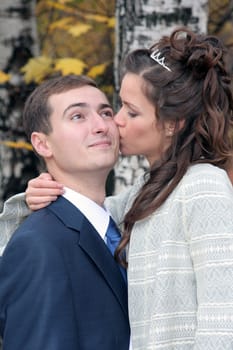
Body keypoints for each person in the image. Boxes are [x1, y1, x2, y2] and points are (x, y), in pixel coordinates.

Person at [1, 27, 233, 350]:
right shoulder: (140, 198)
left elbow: (223, 324)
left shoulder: (204, 185)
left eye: (127, 111)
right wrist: (29, 201)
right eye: (118, 107)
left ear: (172, 124)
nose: (113, 122)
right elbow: (82, 217)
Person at [0, 75, 131, 350]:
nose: (100, 126)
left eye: (106, 112)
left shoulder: (124, 225)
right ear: (42, 144)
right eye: (77, 116)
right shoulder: (38, 244)